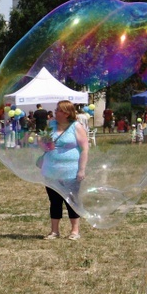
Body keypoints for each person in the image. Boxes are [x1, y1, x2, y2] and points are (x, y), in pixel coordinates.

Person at [40, 100, 89, 241]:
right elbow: (45, 144)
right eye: (56, 110)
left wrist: (82, 170)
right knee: (54, 201)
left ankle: (75, 231)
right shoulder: (51, 125)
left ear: (67, 113)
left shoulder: (76, 127)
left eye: (58, 110)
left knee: (71, 200)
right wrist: (43, 142)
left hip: (70, 171)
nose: (55, 112)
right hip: (51, 170)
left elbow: (85, 148)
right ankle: (54, 231)